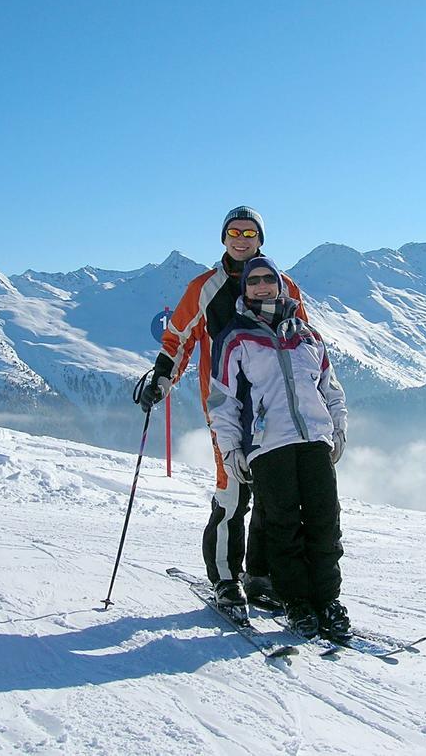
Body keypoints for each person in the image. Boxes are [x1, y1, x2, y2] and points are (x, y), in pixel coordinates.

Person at [139, 206, 310, 610]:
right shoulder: (206, 287)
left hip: (276, 407)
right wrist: (162, 379)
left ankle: (261, 575)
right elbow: (178, 338)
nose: (241, 238)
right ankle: (226, 578)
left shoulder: (282, 285)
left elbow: (304, 339)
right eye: (234, 231)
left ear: (260, 239)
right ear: (223, 238)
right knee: (232, 491)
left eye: (249, 232)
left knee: (272, 492)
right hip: (228, 406)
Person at [207, 256, 351, 639]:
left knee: (325, 522)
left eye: (267, 279)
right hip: (268, 446)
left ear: (279, 285)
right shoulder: (234, 338)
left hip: (314, 442)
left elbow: (330, 389)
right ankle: (297, 602)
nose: (261, 286)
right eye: (253, 281)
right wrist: (231, 448)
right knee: (283, 526)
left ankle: (328, 599)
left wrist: (337, 429)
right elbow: (222, 401)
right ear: (245, 290)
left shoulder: (307, 335)